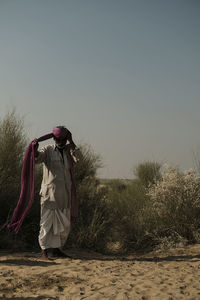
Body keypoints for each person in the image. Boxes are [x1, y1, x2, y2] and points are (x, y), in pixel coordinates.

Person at [34, 126, 81, 259]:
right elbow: (37, 158)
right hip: (50, 195)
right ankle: (44, 250)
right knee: (46, 224)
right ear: (54, 138)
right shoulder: (48, 149)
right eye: (57, 138)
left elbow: (79, 158)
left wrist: (72, 143)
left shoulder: (69, 151)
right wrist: (35, 149)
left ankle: (56, 249)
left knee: (64, 224)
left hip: (65, 195)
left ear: (66, 138)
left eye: (63, 138)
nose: (59, 141)